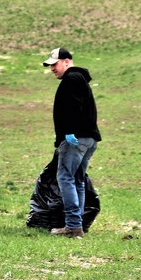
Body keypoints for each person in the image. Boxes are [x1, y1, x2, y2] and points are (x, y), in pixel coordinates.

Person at [43, 48, 101, 238]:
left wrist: (68, 131)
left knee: (66, 178)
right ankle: (77, 226)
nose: (52, 68)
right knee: (77, 180)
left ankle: (73, 227)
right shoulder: (80, 79)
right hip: (88, 138)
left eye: (55, 64)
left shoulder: (71, 79)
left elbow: (73, 106)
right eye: (50, 65)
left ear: (66, 61)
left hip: (76, 138)